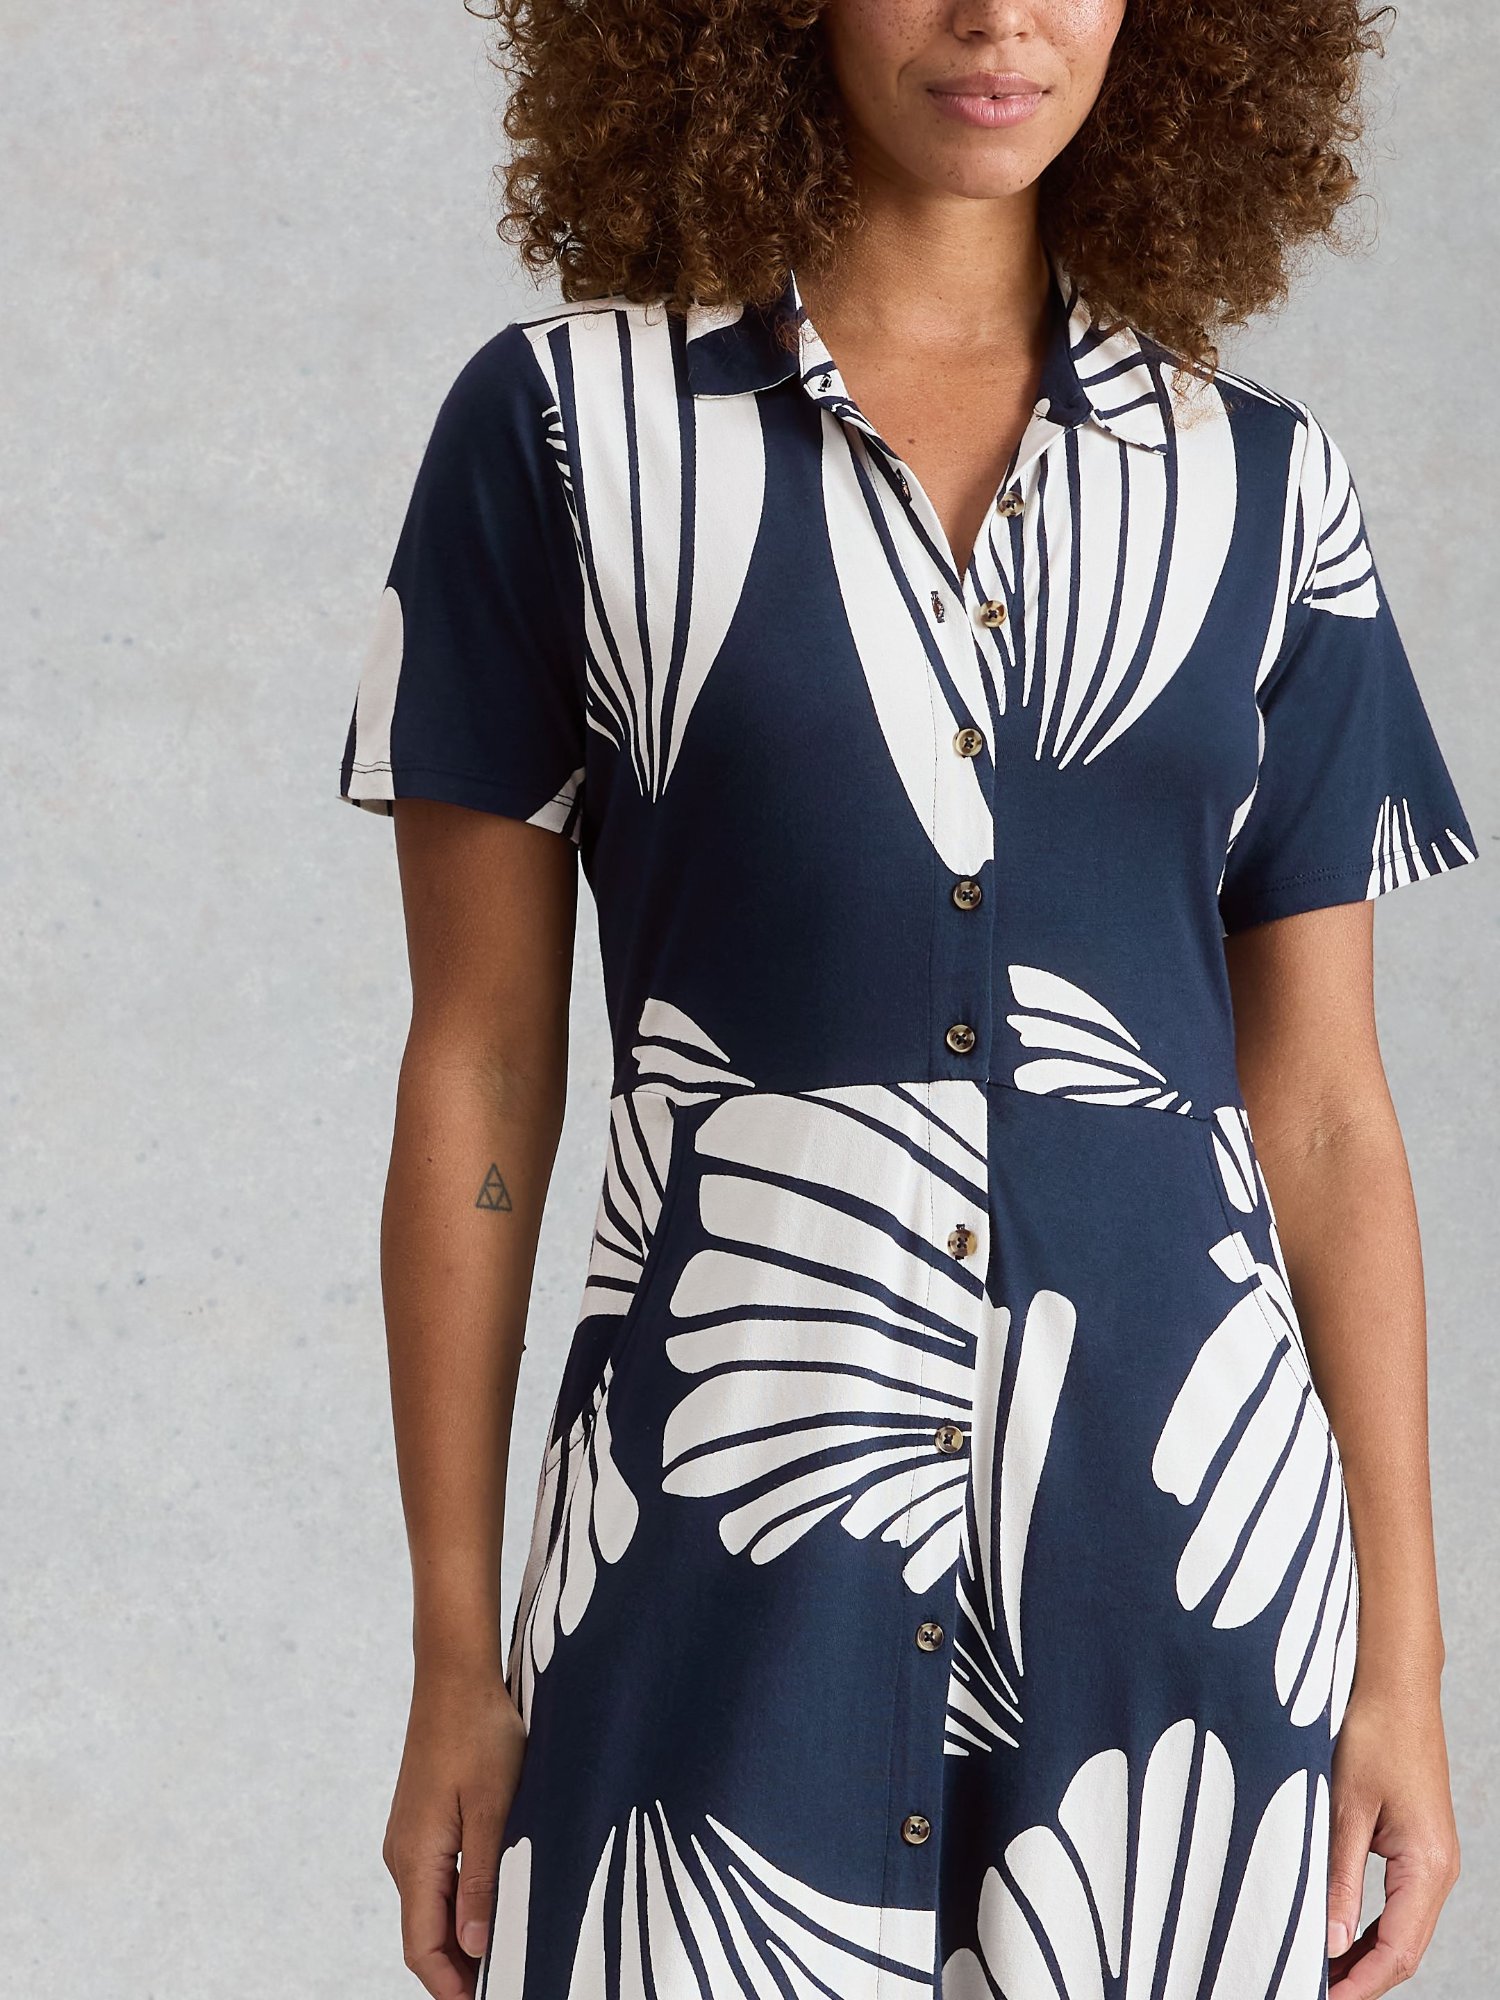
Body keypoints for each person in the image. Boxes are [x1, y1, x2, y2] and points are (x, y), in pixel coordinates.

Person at [337, 2, 1479, 1995]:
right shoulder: (563, 434)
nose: (997, 18)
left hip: (1178, 1592)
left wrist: (1406, 1664)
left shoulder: (1263, 485)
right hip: (713, 1544)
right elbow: (484, 1073)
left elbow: (1320, 1112)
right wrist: (455, 1652)